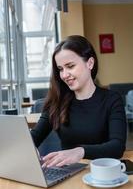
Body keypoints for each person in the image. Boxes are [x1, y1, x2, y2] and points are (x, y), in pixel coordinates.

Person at [31, 35, 127, 168]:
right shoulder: (57, 101)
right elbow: (34, 137)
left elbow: (117, 147)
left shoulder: (112, 99)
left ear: (90, 63)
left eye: (70, 66)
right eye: (60, 69)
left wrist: (80, 151)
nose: (64, 75)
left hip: (102, 173)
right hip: (67, 174)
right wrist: (28, 147)